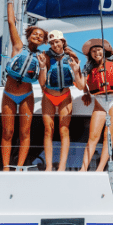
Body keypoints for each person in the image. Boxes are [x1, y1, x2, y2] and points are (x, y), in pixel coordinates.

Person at [0, 0, 47, 170]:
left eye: (40, 36)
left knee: (25, 132)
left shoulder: (43, 57)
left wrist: (42, 66)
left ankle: (19, 166)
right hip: (9, 94)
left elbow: (42, 83)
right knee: (8, 131)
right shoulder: (18, 47)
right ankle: (5, 167)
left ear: (42, 41)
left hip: (27, 95)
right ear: (30, 36)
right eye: (35, 33)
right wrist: (10, 0)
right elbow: (11, 23)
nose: (37, 36)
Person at [38, 30, 84, 171]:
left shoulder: (71, 57)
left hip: (65, 96)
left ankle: (62, 166)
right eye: (51, 43)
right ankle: (49, 166)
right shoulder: (45, 57)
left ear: (63, 42)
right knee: (48, 131)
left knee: (64, 130)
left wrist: (76, 71)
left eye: (57, 41)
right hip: (48, 96)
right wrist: (41, 67)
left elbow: (81, 86)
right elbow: (42, 83)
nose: (54, 45)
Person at [80, 39, 113, 171]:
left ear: (104, 50)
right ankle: (83, 169)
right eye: (93, 51)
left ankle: (100, 168)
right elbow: (82, 82)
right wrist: (85, 92)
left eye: (98, 50)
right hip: (99, 102)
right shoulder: (88, 68)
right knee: (93, 137)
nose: (96, 53)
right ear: (90, 54)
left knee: (109, 135)